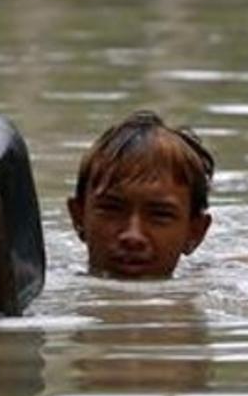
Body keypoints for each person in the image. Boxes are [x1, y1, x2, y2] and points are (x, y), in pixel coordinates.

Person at [68, 110, 214, 279]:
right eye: (111, 209)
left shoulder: (227, 289)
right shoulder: (40, 287)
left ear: (195, 233)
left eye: (160, 215)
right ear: (78, 217)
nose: (132, 236)